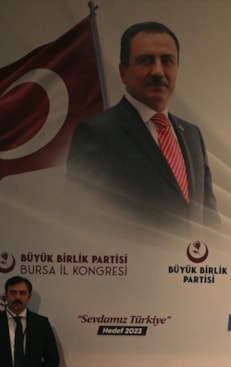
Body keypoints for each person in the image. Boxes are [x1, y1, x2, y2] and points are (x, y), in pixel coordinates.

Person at [66, 21, 220, 231]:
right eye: (146, 60)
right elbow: (81, 223)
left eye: (167, 61)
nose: (158, 71)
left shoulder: (193, 135)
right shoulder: (97, 133)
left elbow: (210, 221)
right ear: (123, 72)